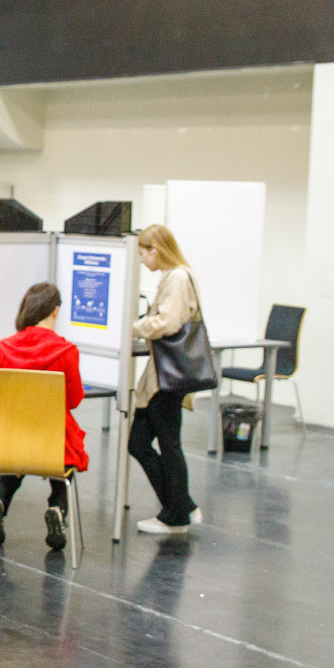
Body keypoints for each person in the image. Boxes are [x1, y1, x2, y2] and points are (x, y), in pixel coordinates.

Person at [0, 282, 90, 551]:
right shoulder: (67, 351)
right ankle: (57, 509)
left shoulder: (7, 347)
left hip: (12, 440)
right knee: (62, 456)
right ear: (55, 311)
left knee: (18, 459)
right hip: (53, 443)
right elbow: (74, 400)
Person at [130, 223, 204, 534]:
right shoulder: (174, 276)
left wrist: (134, 328)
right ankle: (182, 506)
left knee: (166, 444)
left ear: (155, 250)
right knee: (141, 442)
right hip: (164, 376)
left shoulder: (177, 277)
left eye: (143, 254)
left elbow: (168, 322)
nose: (142, 260)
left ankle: (176, 517)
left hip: (167, 377)